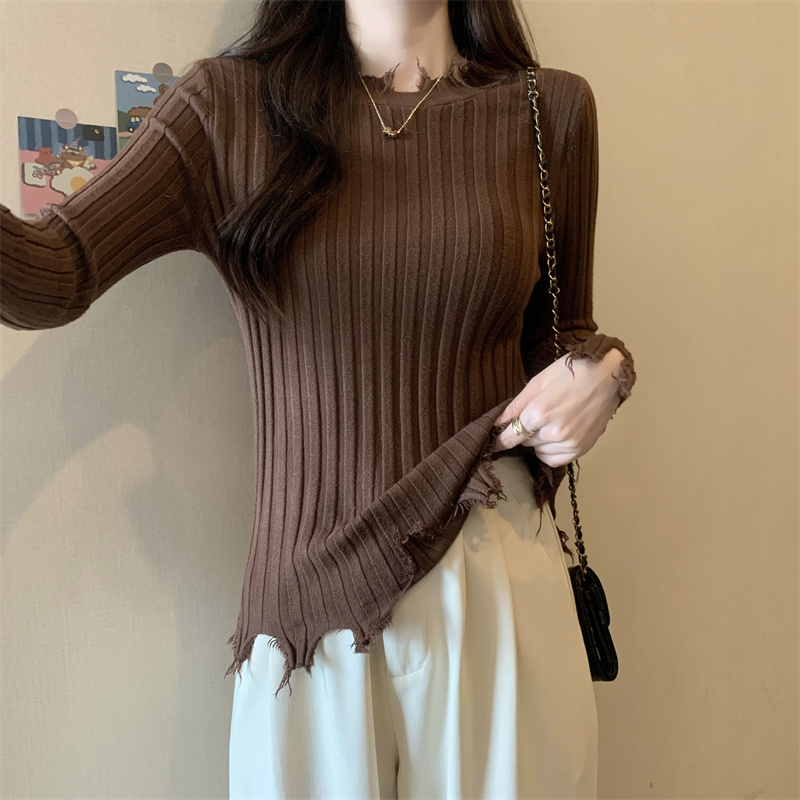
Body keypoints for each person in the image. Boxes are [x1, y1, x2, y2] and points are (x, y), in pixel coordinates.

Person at [0, 0, 637, 796]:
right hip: (308, 616)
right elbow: (55, 272)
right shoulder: (224, 106)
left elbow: (563, 335)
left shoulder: (549, 109)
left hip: (493, 581)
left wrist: (609, 371)